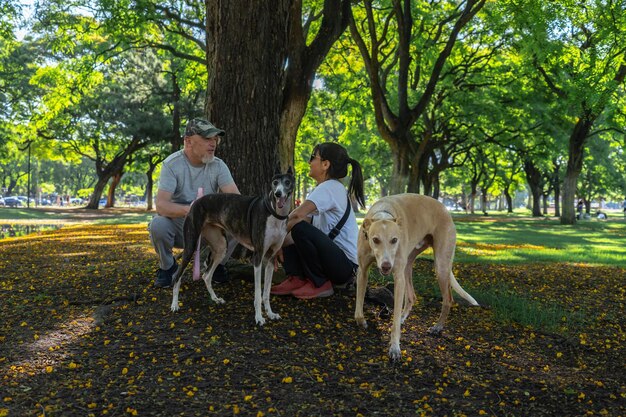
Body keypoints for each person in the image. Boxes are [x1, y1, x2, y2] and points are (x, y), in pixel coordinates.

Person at [149, 118, 240, 288]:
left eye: (215, 139)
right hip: (181, 225)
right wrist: (192, 209)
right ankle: (168, 267)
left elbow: (237, 201)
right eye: (207, 139)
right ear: (188, 141)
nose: (213, 143)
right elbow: (161, 206)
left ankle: (215, 264)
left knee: (238, 222)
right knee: (157, 225)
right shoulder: (171, 164)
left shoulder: (219, 166)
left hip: (210, 225)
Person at [271, 142, 366, 299]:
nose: (309, 162)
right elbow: (300, 221)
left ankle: (320, 283)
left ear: (325, 164)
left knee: (298, 227)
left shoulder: (329, 187)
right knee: (294, 229)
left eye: (312, 157)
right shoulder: (327, 189)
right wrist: (278, 245)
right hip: (337, 264)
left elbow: (296, 216)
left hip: (345, 267)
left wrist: (274, 241)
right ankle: (296, 278)